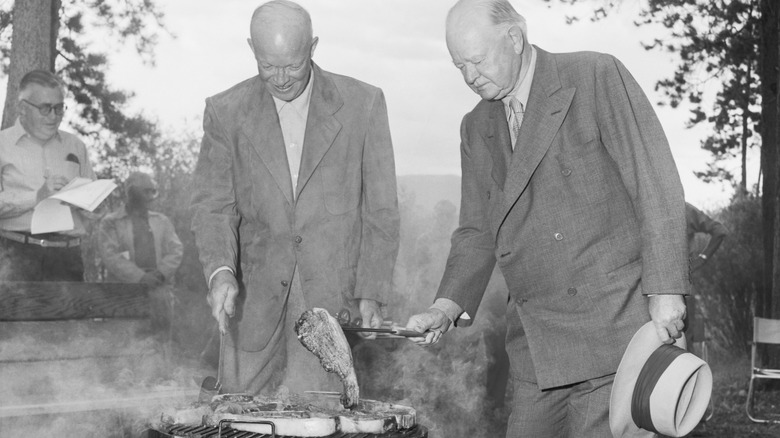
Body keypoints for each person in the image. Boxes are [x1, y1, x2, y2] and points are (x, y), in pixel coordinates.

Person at [404, 1, 690, 437]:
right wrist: (444, 307)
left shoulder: (594, 76)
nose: (470, 76)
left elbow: (655, 182)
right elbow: (477, 231)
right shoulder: (475, 126)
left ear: (514, 38)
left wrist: (666, 289)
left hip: (612, 329)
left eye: (477, 60)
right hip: (535, 347)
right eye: (459, 66)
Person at [190, 0, 400, 396]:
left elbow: (382, 209)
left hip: (330, 303)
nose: (281, 79)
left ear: (313, 46)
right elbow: (212, 206)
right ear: (251, 49)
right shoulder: (224, 111)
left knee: (322, 416)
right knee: (236, 415)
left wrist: (371, 291)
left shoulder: (364, 104)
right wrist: (221, 272)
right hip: (251, 304)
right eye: (268, 66)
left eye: (293, 65)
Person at [0, 70, 95, 282]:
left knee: (72, 307)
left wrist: (87, 203)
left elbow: (93, 203)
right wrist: (37, 197)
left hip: (68, 258)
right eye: (45, 108)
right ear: (22, 108)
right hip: (16, 258)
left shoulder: (75, 145)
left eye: (59, 108)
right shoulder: (2, 145)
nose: (53, 116)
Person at [97, 171, 183, 286]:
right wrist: (140, 277)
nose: (151, 197)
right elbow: (111, 256)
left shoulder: (161, 221)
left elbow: (175, 250)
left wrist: (161, 274)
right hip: (123, 289)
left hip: (157, 286)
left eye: (153, 192)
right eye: (146, 191)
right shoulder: (111, 222)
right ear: (131, 193)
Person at [685, 202, 728, 355]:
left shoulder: (683, 209)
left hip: (683, 288)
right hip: (648, 291)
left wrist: (702, 258)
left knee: (684, 342)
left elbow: (719, 230)